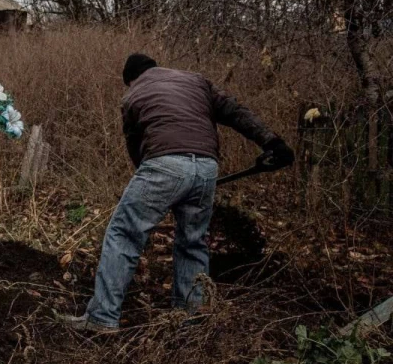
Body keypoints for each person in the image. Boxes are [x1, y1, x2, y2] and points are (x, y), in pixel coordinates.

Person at [63, 54, 294, 332]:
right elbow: (236, 112)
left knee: (124, 235)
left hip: (163, 165)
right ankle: (191, 320)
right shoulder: (197, 82)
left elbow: (137, 150)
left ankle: (102, 317)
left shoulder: (133, 94)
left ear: (131, 79)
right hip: (207, 167)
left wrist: (158, 186)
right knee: (193, 241)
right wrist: (272, 142)